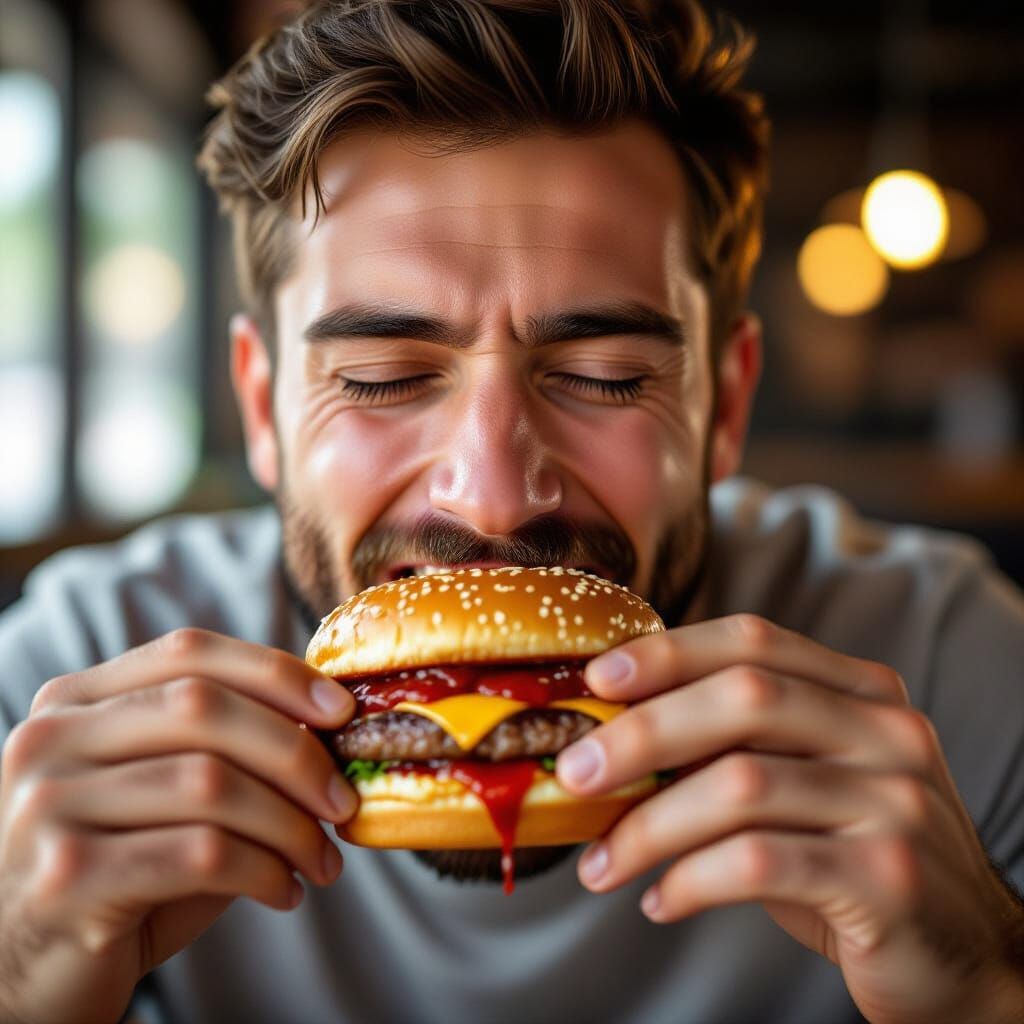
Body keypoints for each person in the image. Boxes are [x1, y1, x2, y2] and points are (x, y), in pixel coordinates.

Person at [1, 1, 1023, 1021]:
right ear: (263, 407)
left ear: (726, 403)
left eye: (605, 375)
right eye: (383, 375)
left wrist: (986, 987)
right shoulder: (72, 682)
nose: (490, 493)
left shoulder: (943, 671)